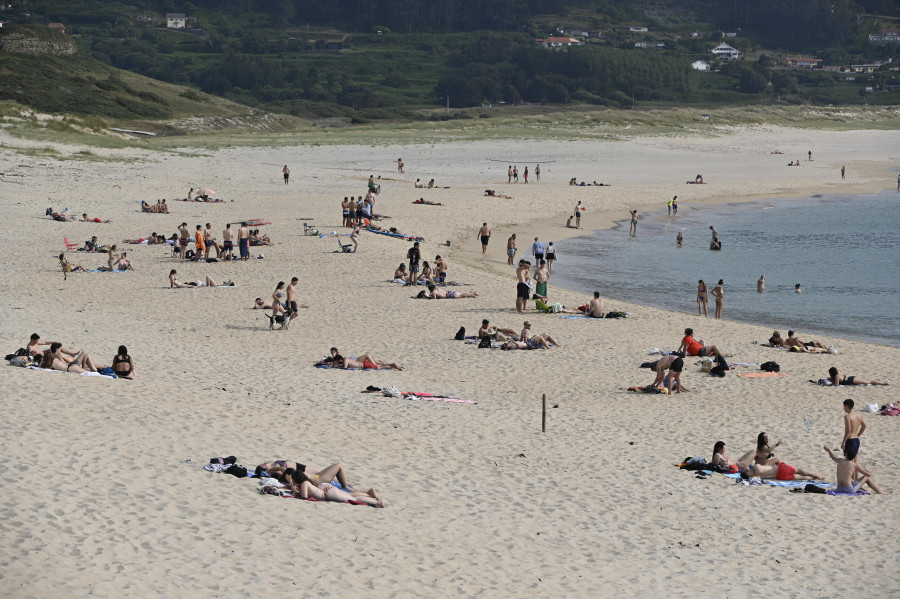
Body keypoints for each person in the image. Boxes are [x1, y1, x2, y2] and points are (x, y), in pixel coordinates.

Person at [740, 460, 821, 482]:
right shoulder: (756, 467)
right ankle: (814, 474)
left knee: (799, 478)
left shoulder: (757, 477)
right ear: (747, 472)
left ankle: (813, 478)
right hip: (781, 469)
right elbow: (747, 466)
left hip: (780, 477)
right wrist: (746, 469)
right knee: (799, 470)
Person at [841, 398, 866, 463]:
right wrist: (858, 435)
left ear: (847, 406)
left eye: (844, 406)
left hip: (850, 441)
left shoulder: (847, 416)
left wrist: (843, 441)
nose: (844, 408)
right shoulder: (859, 416)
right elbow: (864, 426)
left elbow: (848, 430)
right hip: (856, 440)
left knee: (849, 463)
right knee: (855, 463)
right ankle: (856, 474)